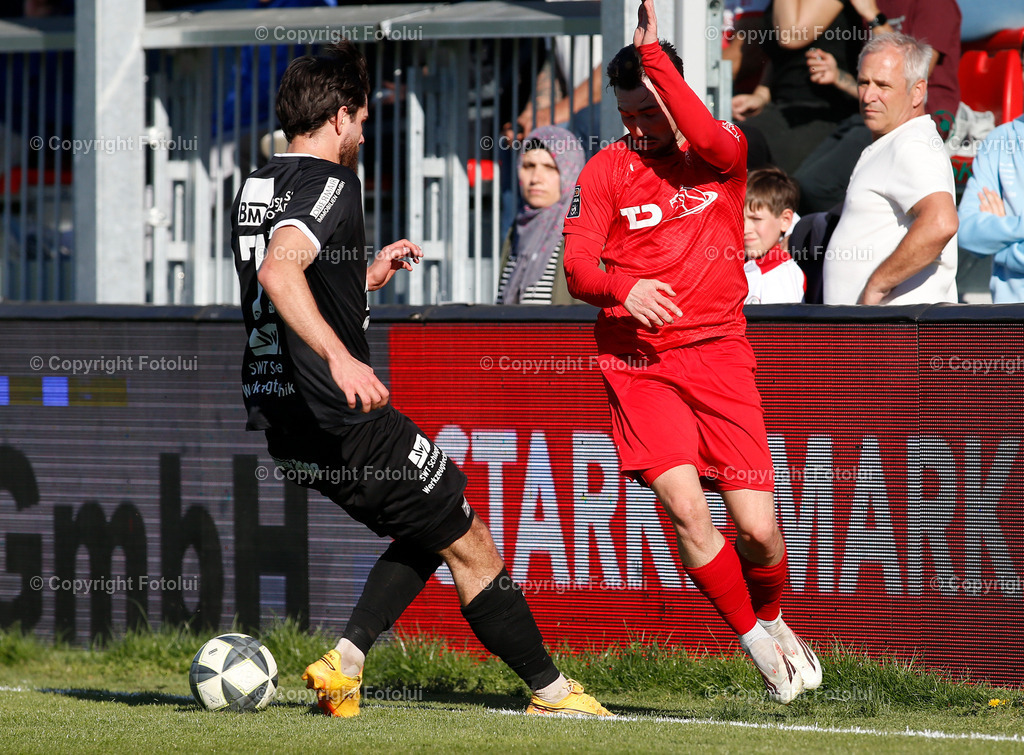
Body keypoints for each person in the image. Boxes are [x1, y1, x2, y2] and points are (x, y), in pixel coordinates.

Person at [230, 41, 610, 719]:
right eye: (365, 119)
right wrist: (341, 357)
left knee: (435, 516)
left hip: (279, 413)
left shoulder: (259, 183)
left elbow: (295, 272)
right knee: (468, 535)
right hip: (338, 409)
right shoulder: (329, 182)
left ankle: (345, 661)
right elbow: (280, 273)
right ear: (342, 117)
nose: (365, 133)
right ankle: (553, 691)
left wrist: (361, 277)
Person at [563, 0, 821, 704]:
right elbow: (578, 268)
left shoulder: (721, 154)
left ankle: (773, 619)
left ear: (675, 97)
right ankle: (757, 646)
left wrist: (655, 64)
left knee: (760, 530)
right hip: (641, 365)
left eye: (649, 112)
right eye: (627, 114)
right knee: (684, 508)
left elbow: (703, 128)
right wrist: (624, 287)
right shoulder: (606, 171)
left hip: (719, 357)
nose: (637, 128)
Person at [823, 33, 959, 305]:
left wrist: (876, 285)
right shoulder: (895, 141)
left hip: (895, 337)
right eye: (864, 82)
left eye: (883, 85)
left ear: (918, 91)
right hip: (875, 335)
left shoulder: (911, 143)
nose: (869, 95)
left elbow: (940, 222)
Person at [793, 0, 962, 214]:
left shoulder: (934, 4)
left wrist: (872, 14)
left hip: (917, 120)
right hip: (872, 119)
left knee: (816, 187)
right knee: (798, 185)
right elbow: (878, 89)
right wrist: (839, 77)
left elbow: (915, 75)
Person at [731, 0, 865, 174]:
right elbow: (779, 56)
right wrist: (761, 95)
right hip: (782, 109)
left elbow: (790, 36)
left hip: (821, 111)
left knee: (747, 150)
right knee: (732, 142)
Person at [496, 126, 586, 305]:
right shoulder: (518, 231)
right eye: (528, 166)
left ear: (570, 171)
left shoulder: (582, 233)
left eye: (549, 167)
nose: (536, 178)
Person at [957, 115, 1024, 302]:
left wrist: (1000, 248)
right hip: (1008, 320)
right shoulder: (999, 139)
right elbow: (965, 232)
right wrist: (1018, 227)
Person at [743, 167, 805, 304]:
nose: (745, 229)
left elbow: (786, 325)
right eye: (740, 219)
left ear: (785, 220)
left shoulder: (782, 276)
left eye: (756, 219)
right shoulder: (735, 263)